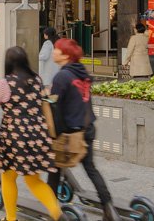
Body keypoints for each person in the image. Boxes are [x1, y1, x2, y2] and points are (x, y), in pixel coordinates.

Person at [0, 46, 61, 221]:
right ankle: (56, 212)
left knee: (8, 177)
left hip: (14, 136)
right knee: (34, 180)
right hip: (38, 133)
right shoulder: (36, 80)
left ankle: (11, 219)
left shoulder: (4, 83)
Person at [48, 38, 120, 220]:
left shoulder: (61, 77)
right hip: (87, 128)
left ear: (65, 55)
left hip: (70, 134)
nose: (54, 51)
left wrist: (52, 135)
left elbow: (55, 109)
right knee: (91, 169)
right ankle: (108, 207)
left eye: (57, 49)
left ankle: (51, 209)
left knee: (54, 169)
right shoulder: (82, 73)